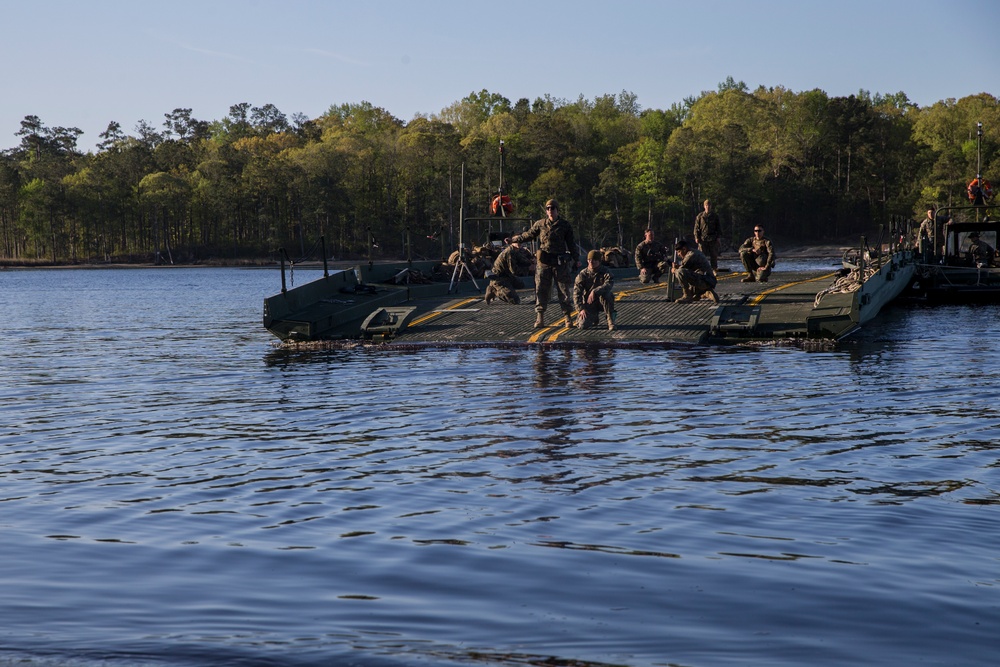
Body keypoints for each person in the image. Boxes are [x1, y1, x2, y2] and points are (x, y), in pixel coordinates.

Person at [508, 199, 579, 328]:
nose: (550, 211)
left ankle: (567, 317)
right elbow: (528, 235)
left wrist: (576, 259)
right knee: (541, 289)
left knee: (564, 291)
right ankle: (540, 317)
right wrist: (514, 239)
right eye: (548, 208)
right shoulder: (540, 224)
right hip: (544, 262)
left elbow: (571, 243)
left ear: (557, 210)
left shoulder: (565, 225)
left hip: (559, 262)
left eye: (552, 208)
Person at [574, 249, 616, 330]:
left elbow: (609, 284)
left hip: (602, 301)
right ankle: (594, 317)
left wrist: (595, 291)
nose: (591, 262)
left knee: (607, 295)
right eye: (589, 260)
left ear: (599, 261)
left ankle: (610, 320)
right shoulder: (583, 274)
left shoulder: (605, 271)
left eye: (594, 260)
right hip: (589, 302)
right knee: (583, 325)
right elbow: (577, 293)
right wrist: (581, 309)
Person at [484, 240, 534, 305]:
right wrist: (528, 268)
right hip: (499, 278)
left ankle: (505, 287)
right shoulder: (509, 252)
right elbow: (514, 271)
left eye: (520, 241)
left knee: (521, 284)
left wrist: (532, 262)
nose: (518, 243)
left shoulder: (516, 251)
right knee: (515, 300)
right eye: (516, 241)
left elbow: (523, 260)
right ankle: (493, 290)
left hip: (507, 275)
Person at [672, 239, 719, 304]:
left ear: (684, 249)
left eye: (679, 252)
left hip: (704, 280)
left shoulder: (690, 255)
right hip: (708, 280)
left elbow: (681, 270)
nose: (678, 254)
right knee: (694, 295)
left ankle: (687, 296)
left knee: (679, 272)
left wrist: (674, 269)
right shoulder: (695, 252)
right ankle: (706, 292)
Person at [693, 199, 722, 271]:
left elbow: (718, 227)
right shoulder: (700, 216)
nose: (708, 207)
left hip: (712, 238)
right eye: (706, 205)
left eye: (709, 205)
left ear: (711, 206)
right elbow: (696, 228)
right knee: (701, 255)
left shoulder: (715, 216)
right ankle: (702, 269)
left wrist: (718, 237)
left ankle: (714, 269)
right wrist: (696, 237)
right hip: (703, 238)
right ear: (704, 206)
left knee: (714, 255)